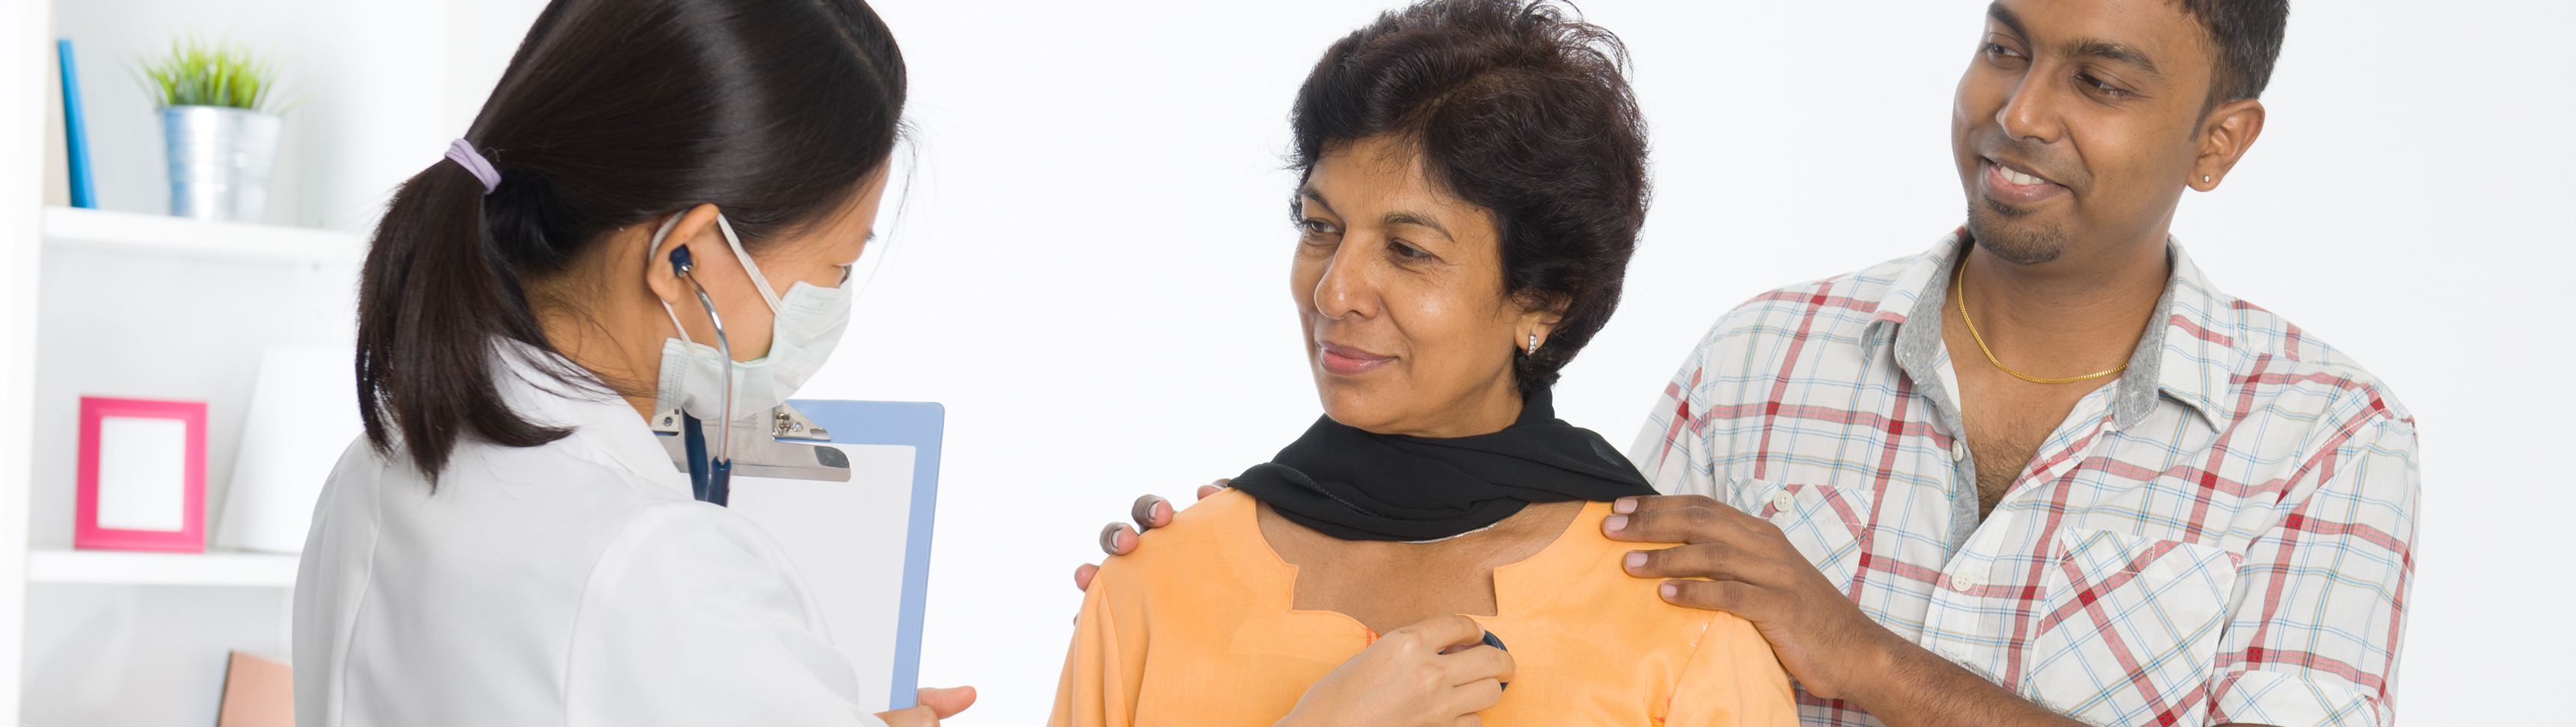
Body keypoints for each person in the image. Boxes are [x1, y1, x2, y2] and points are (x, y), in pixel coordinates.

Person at [1095, 1, 2419, 726]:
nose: (2020, 112)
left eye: (2101, 81)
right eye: (2005, 46)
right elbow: (1568, 596)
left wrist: (1860, 656)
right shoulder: (1764, 363)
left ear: (2219, 141)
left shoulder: (2323, 440)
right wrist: (1227, 563)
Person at [1053, 2, 1793, 725]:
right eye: (1320, 227)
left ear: (1543, 301)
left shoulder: (1680, 624)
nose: (1334, 290)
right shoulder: (1158, 585)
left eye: (1408, 250)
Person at [296, 1, 974, 725]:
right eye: (836, 268)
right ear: (687, 256)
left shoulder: (373, 468)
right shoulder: (658, 562)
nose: (836, 296)